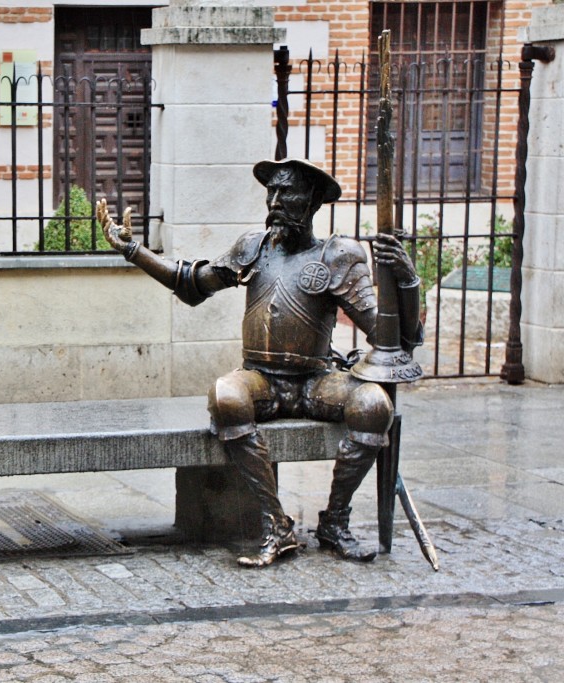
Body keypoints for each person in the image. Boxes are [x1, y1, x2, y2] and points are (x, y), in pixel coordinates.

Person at [96, 159, 422, 568]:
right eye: (272, 192)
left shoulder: (337, 256)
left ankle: (335, 521)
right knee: (226, 395)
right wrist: (134, 251)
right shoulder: (254, 247)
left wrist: (406, 282)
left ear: (315, 200)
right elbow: (192, 284)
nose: (275, 200)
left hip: (315, 380)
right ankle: (276, 524)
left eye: (287, 192)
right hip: (262, 378)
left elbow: (389, 337)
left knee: (374, 405)